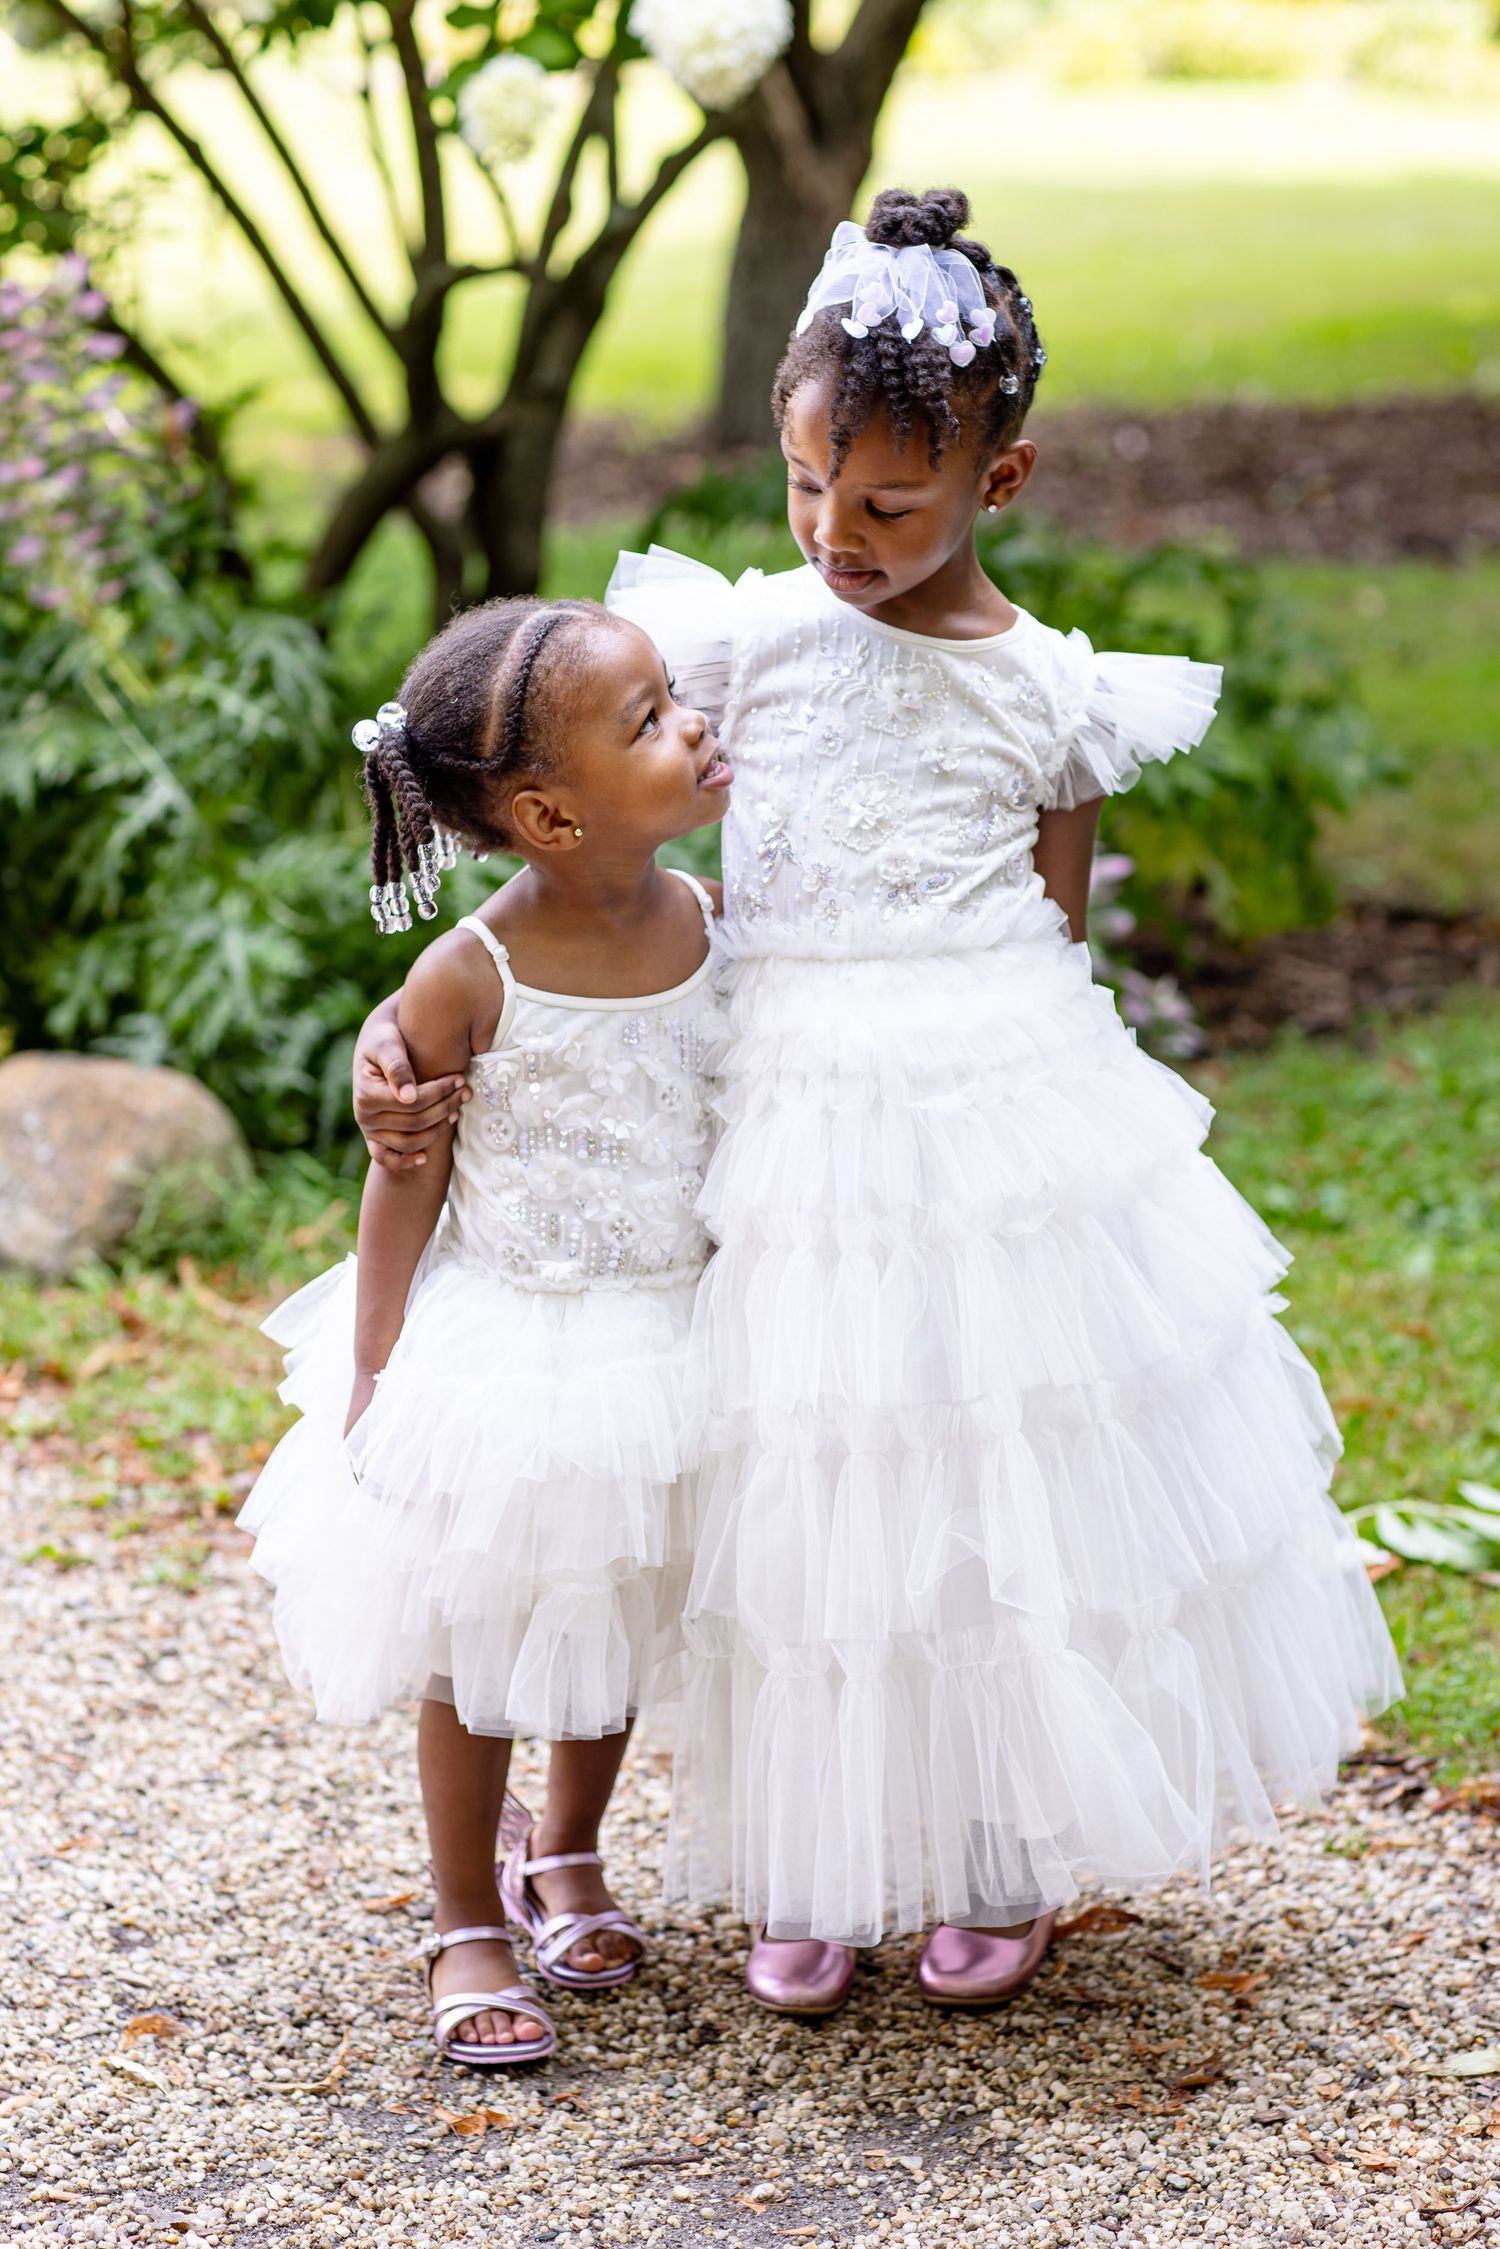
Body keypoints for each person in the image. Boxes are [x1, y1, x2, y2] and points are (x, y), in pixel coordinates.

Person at [352, 188, 1401, 2019]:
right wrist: (410, 1008)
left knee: (983, 1470)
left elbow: (1058, 923)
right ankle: (812, 1853)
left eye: (890, 507)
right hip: (788, 1111)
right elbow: (564, 799)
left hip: (990, 1120)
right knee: (800, 1485)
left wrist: (1021, 1110)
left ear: (1000, 480)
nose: (837, 533)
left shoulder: (1053, 692)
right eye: (806, 488)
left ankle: (992, 1842)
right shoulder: (750, 641)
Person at [242, 594, 733, 2064]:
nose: (695, 722)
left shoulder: (718, 924)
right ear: (550, 815)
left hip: (671, 1338)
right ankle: (466, 1911)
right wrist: (374, 1364)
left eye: (672, 696)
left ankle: (568, 1848)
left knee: (615, 1608)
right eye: (651, 720)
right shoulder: (469, 973)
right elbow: (406, 1179)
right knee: (478, 1646)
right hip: (512, 1345)